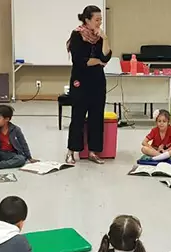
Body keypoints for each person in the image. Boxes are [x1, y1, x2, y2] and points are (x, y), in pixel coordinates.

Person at [65, 5, 112, 165]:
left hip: (97, 81)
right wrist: (97, 61)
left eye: (101, 19)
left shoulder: (99, 37)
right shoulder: (77, 34)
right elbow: (80, 60)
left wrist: (105, 38)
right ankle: (71, 151)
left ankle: (93, 151)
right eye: (96, 19)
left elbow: (106, 57)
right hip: (80, 80)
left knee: (96, 116)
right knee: (78, 116)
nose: (99, 22)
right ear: (87, 20)